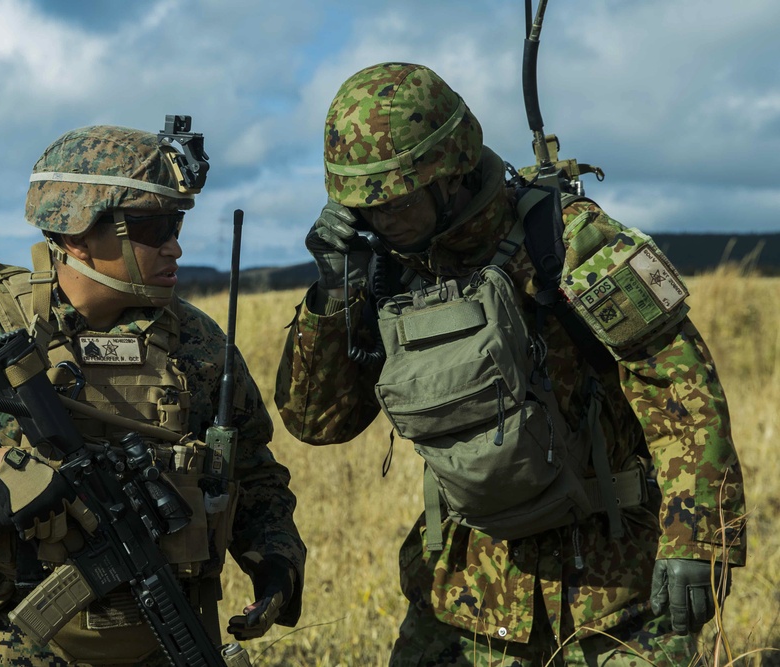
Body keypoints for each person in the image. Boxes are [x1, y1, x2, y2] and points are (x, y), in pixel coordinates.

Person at [274, 62, 746, 666]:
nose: (379, 219)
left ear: (450, 170)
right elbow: (319, 423)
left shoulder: (570, 241)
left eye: (393, 202)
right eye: (362, 206)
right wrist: (334, 294)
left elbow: (678, 383)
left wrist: (698, 537)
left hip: (610, 590)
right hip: (463, 597)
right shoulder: (379, 268)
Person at [0, 122, 306, 666]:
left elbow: (251, 468)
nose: (176, 246)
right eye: (153, 226)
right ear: (77, 235)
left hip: (169, 634)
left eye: (178, 223)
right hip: (15, 644)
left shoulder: (199, 342)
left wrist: (275, 559)